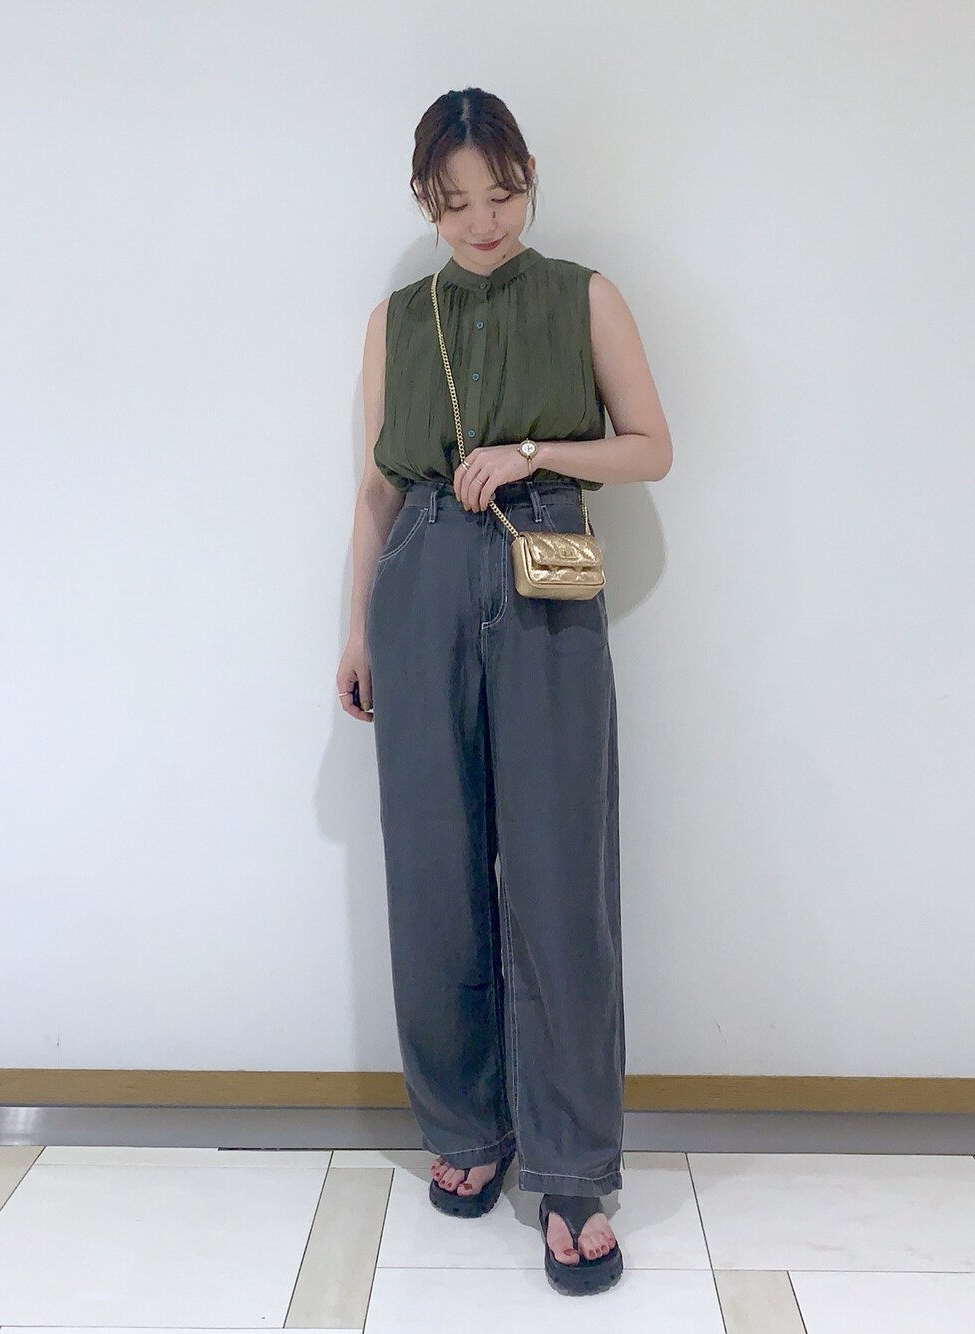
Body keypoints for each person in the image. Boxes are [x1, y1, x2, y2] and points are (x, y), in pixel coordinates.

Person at [337, 86, 672, 1296]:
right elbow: (378, 487)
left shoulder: (582, 295)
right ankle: (467, 1124)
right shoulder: (396, 319)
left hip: (543, 560)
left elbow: (650, 446)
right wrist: (356, 630)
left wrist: (530, 452)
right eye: (455, 202)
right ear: (425, 202)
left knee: (556, 866)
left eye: (502, 192)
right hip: (422, 569)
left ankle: (572, 1164)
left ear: (528, 178)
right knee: (431, 863)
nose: (484, 222)